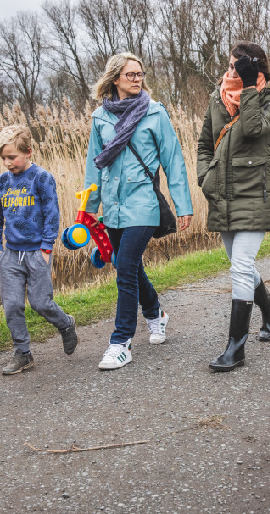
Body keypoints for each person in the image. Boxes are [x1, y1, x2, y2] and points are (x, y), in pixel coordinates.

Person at [84, 52, 193, 370]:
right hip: (113, 206)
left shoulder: (156, 113)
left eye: (140, 73)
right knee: (125, 265)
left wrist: (182, 205)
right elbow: (94, 167)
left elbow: (174, 161)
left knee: (126, 267)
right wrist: (90, 211)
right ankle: (156, 311)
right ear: (114, 78)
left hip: (144, 204)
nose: (137, 78)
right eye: (130, 74)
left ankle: (121, 343)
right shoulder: (100, 118)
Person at [198, 41, 270, 372]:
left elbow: (253, 128)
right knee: (240, 265)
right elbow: (205, 143)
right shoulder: (217, 96)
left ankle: (235, 347)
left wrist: (250, 86)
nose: (231, 71)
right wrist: (204, 178)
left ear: (254, 66)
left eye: (239, 66)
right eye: (231, 65)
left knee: (240, 265)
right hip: (222, 193)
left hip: (254, 191)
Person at [0, 125, 78, 375]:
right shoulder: (2, 182)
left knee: (40, 303)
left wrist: (47, 247)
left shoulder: (42, 178)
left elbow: (52, 212)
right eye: (3, 158)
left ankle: (65, 323)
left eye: (11, 157)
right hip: (10, 255)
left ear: (28, 152)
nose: (7, 163)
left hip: (37, 252)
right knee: (12, 305)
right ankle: (23, 352)